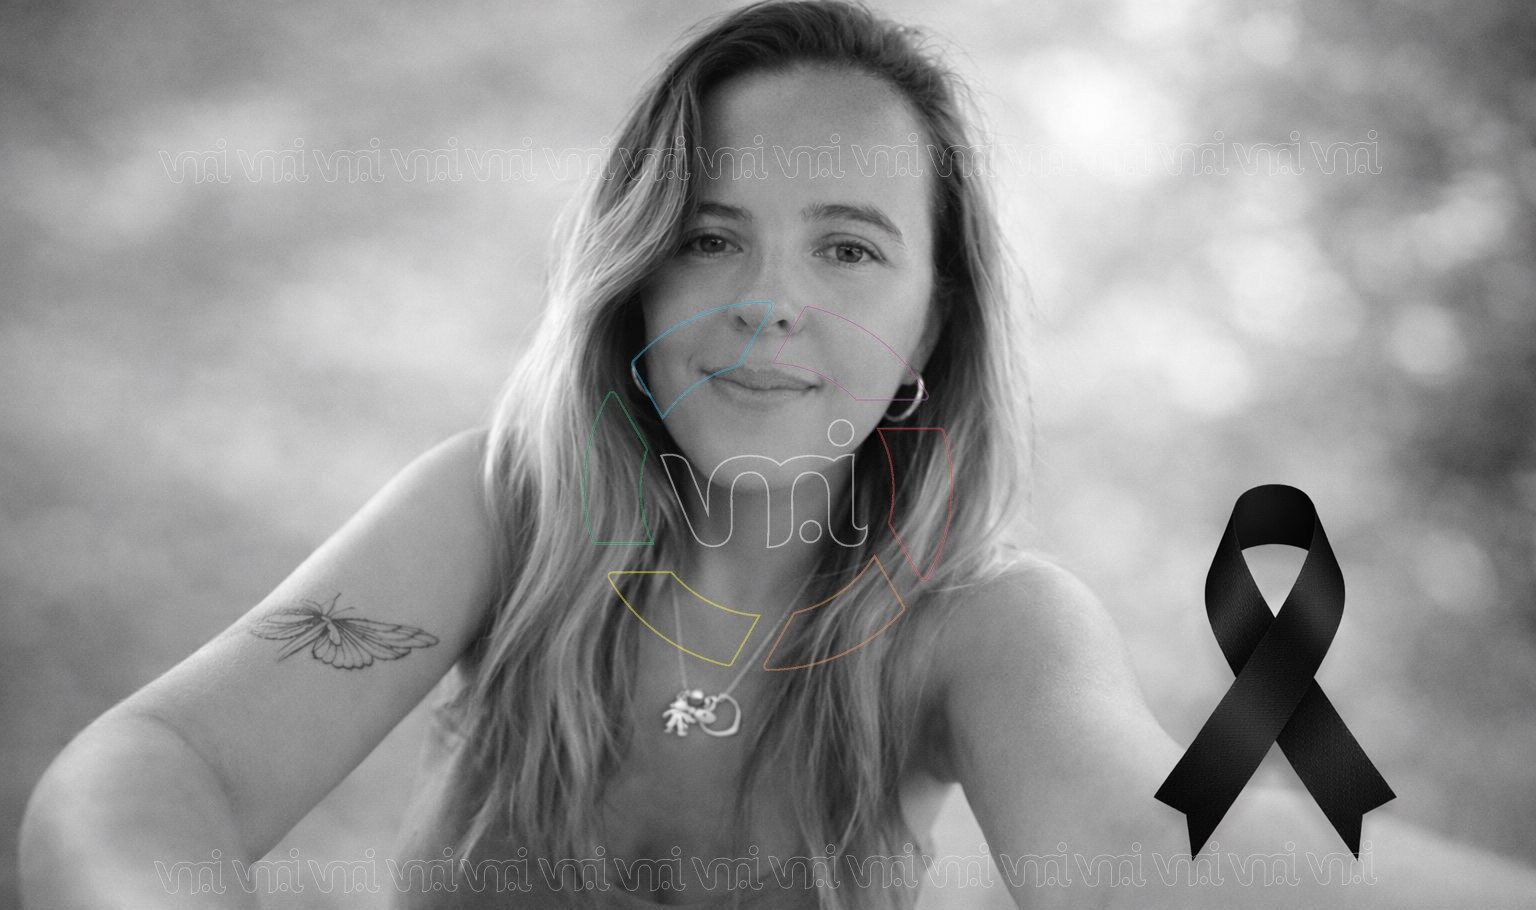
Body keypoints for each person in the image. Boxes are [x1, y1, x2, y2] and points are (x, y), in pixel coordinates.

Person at [18, 2, 1536, 909]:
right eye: (709, 235)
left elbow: (1145, 862)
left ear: (936, 323)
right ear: (633, 274)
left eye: (849, 246)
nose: (766, 299)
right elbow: (157, 767)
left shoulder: (981, 622)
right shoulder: (496, 512)